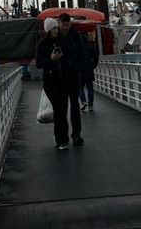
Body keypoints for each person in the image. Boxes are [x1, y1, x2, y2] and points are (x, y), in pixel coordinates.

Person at [35, 12, 86, 149]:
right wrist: (51, 60)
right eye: (54, 27)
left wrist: (75, 67)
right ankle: (61, 139)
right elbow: (39, 63)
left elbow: (81, 55)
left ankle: (72, 135)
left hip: (68, 78)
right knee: (59, 110)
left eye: (56, 27)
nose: (57, 29)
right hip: (53, 82)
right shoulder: (43, 44)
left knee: (68, 108)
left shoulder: (69, 39)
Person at [79, 30, 99, 110]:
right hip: (89, 70)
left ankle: (83, 101)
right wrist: (92, 66)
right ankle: (91, 105)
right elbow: (96, 59)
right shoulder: (90, 47)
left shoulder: (77, 49)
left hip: (80, 71)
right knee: (90, 87)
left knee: (80, 87)